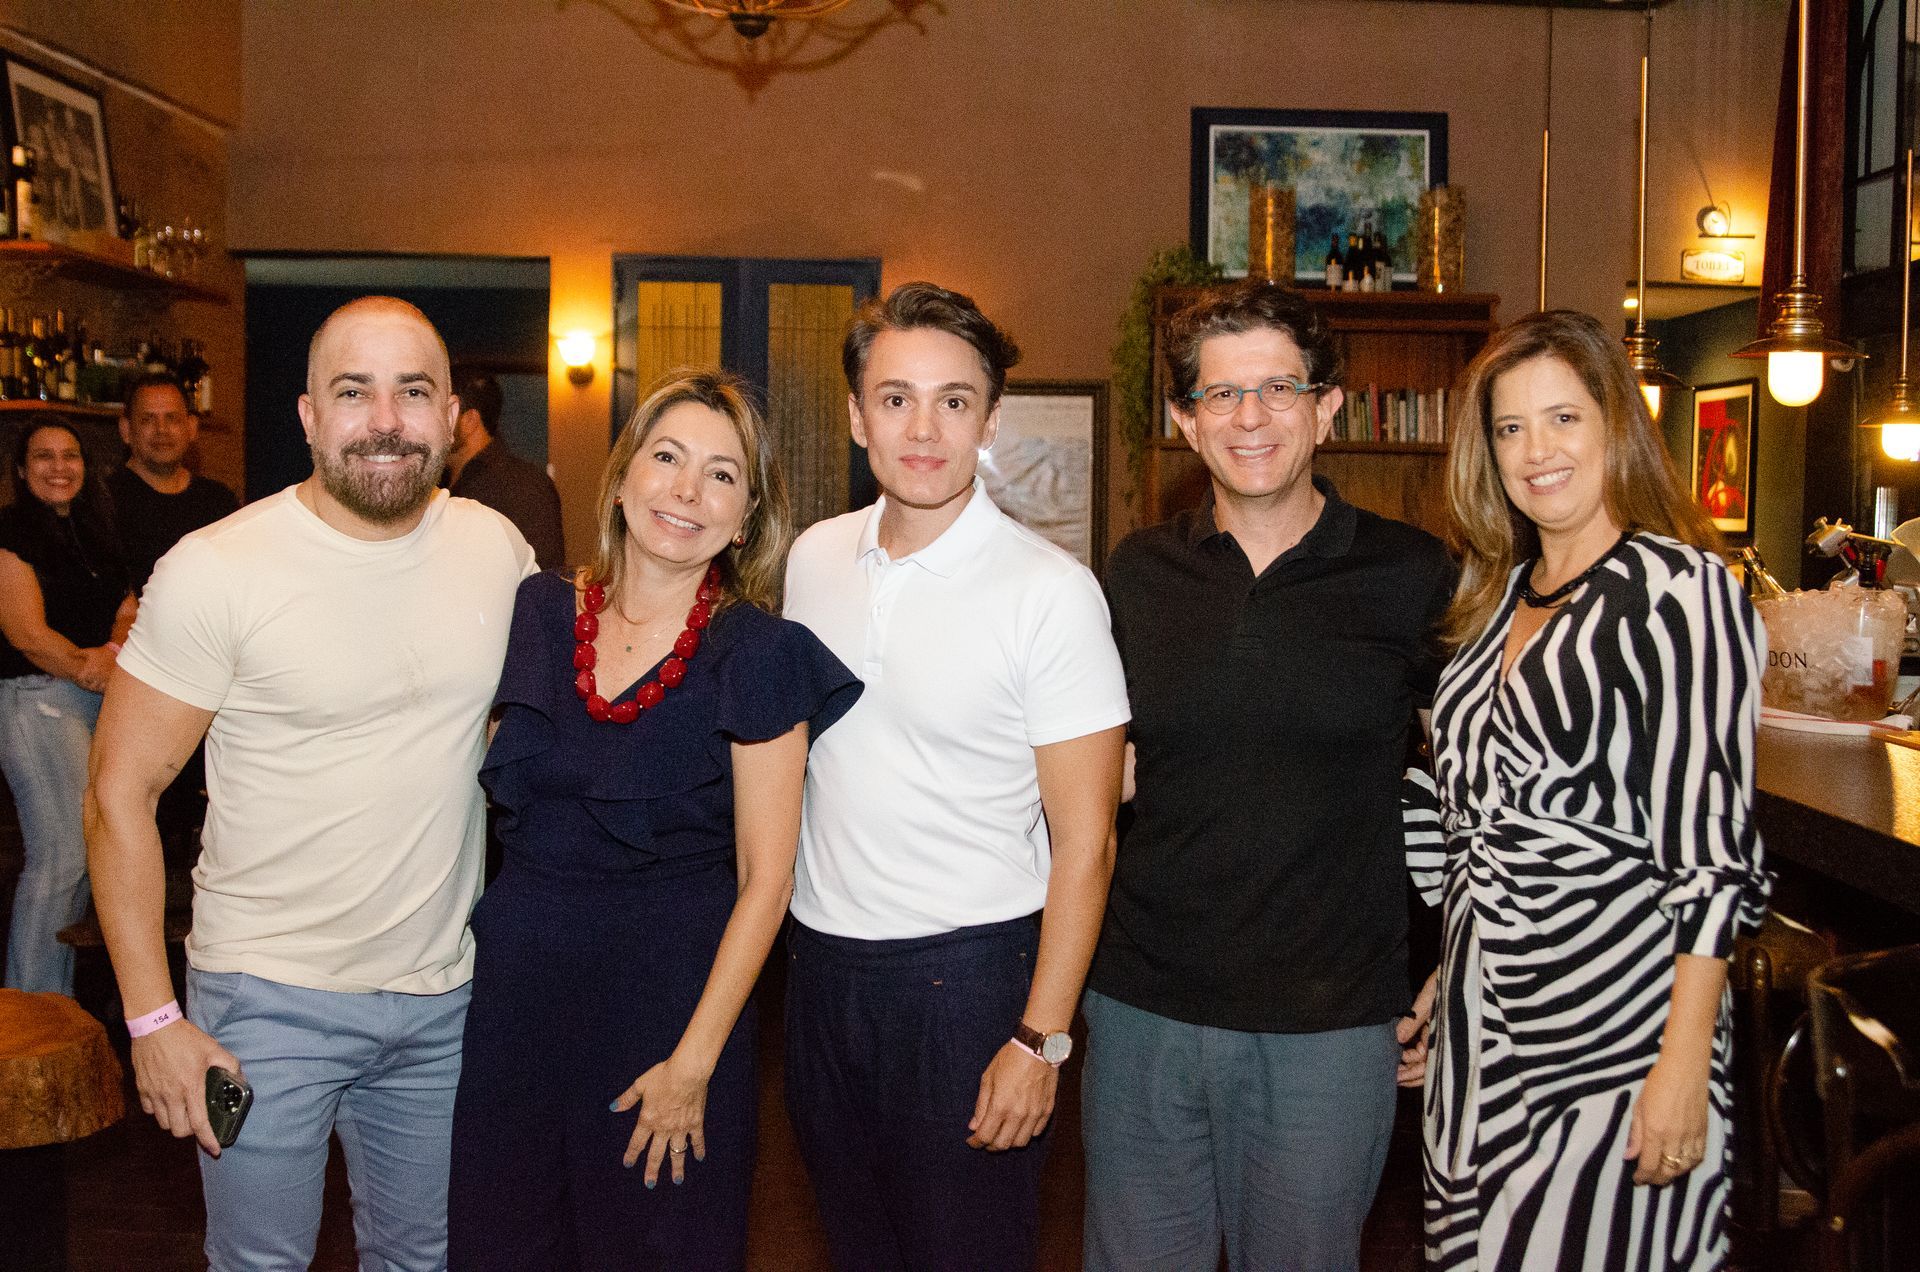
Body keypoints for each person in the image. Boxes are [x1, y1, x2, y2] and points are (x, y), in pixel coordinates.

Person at [85, 296, 536, 1271]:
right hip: (265, 1005)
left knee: (423, 1261)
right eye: (354, 391)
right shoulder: (217, 570)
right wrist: (154, 1020)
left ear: (453, 412)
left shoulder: (495, 552)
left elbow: (523, 737)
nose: (385, 418)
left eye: (412, 392)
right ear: (308, 416)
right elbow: (118, 793)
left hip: (440, 1001)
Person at [447, 370, 859, 1270]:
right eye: (667, 458)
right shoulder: (541, 612)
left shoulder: (760, 653)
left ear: (746, 516)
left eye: (721, 475)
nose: (686, 490)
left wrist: (695, 1064)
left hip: (668, 1017)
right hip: (516, 1009)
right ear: (624, 476)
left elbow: (767, 882)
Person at [1081, 280, 1455, 1271]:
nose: (1250, 417)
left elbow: (1471, 796)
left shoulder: (1413, 577)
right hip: (1140, 1009)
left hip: (1328, 1028)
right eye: (1220, 395)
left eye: (1279, 388)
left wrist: (1445, 969)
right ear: (1183, 423)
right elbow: (1095, 785)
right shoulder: (1132, 575)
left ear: (1327, 407)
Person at [1406, 310, 1768, 1269]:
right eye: (1511, 427)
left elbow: (1713, 853)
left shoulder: (1679, 593)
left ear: (1616, 427)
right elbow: (1481, 831)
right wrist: (1452, 982)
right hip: (1484, 1051)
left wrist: (1684, 1065)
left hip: (1617, 1043)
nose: (1537, 451)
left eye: (1563, 418)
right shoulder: (1492, 601)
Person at [782, 281, 1129, 1270]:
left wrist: (1040, 1039)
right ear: (857, 417)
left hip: (970, 988)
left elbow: (1089, 842)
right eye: (895, 399)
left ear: (988, 420)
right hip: (821, 980)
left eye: (953, 400)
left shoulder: (1050, 594)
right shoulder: (812, 561)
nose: (922, 428)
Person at [0, 417, 134, 994]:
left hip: (94, 697)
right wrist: (90, 666)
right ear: (23, 469)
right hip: (37, 700)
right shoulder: (9, 533)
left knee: (79, 862)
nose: (60, 467)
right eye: (45, 457)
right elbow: (25, 633)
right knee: (59, 859)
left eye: (70, 456)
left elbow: (129, 602)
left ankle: (56, 1014)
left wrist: (109, 648)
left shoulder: (96, 527)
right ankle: (31, 1019)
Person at [109, 371, 239, 595]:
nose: (161, 430)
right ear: (126, 430)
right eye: (148, 419)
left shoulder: (218, 501)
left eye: (172, 418)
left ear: (191, 428)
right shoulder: (102, 500)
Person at [447, 365, 566, 569]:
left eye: (448, 412)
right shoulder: (437, 484)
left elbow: (541, 578)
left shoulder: (525, 487)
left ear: (469, 421)